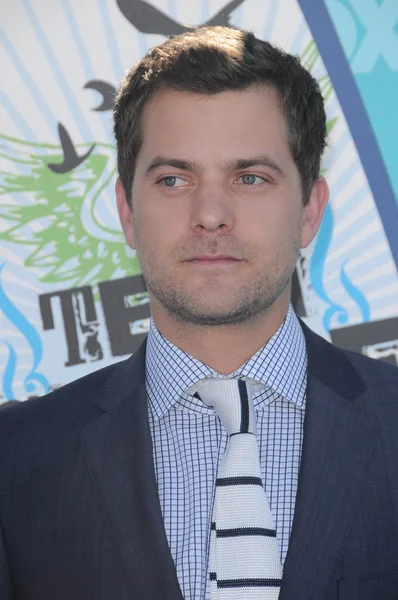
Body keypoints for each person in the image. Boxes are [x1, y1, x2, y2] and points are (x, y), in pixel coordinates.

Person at [1, 26, 398, 600]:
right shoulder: (16, 458)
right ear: (127, 212)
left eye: (251, 177)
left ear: (311, 209)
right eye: (174, 178)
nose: (211, 214)